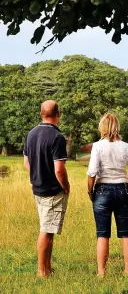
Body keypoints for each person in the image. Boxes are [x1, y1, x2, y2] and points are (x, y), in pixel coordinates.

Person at [87, 113, 128, 277]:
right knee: (126, 233)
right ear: (117, 127)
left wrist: (90, 192)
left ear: (102, 127)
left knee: (102, 233)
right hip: (123, 189)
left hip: (102, 190)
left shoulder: (97, 146)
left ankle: (101, 272)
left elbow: (91, 173)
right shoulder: (126, 147)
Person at [23, 100, 70, 277]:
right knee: (46, 231)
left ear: (41, 114)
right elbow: (59, 169)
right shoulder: (58, 137)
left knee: (48, 230)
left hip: (37, 188)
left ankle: (48, 268)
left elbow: (27, 163)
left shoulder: (31, 133)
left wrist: (38, 173)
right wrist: (66, 186)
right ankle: (42, 271)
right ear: (58, 114)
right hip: (52, 190)